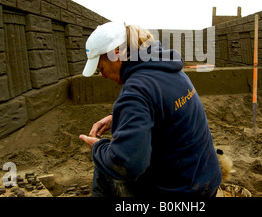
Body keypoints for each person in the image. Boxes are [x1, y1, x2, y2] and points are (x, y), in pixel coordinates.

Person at [79, 21, 222, 197]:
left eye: (102, 68)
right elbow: (162, 107)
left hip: (180, 193)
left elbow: (128, 165)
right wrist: (116, 116)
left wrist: (97, 148)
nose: (103, 76)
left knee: (106, 165)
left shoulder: (136, 90)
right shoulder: (168, 69)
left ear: (116, 53)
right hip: (206, 180)